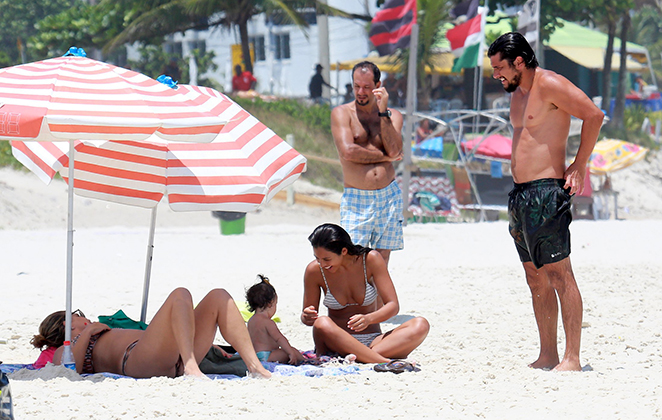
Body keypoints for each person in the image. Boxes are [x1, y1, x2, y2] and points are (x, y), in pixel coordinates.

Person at [488, 32, 604, 371]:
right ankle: (548, 354)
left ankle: (572, 357)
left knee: (558, 274)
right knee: (534, 276)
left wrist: (579, 164)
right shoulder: (517, 94)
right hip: (520, 195)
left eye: (500, 67)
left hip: (546, 192)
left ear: (519, 61)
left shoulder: (550, 83)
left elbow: (593, 116)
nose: (497, 75)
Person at [31, 288, 271, 378]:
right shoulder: (63, 350)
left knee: (218, 296)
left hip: (166, 356)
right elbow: (72, 371)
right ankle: (190, 366)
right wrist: (89, 331)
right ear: (69, 324)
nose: (86, 317)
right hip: (136, 359)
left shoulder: (92, 331)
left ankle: (255, 367)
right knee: (180, 294)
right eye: (78, 315)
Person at [301, 224, 429, 364]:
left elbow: (393, 305)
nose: (321, 263)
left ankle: (365, 357)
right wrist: (307, 316)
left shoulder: (370, 260)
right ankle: (385, 362)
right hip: (337, 343)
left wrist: (369, 319)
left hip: (373, 341)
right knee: (322, 322)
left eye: (326, 259)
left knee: (421, 324)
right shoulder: (314, 271)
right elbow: (309, 319)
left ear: (343, 251)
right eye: (317, 258)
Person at [330, 61, 405, 266]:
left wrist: (382, 113)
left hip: (388, 195)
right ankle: (358, 300)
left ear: (378, 86)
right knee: (353, 259)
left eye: (366, 87)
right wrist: (386, 158)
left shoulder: (393, 115)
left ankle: (379, 300)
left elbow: (394, 149)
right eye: (356, 86)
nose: (360, 92)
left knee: (382, 261)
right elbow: (349, 152)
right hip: (357, 197)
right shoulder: (342, 113)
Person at [245, 275, 304, 365]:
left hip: (254, 355)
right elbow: (280, 339)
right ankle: (304, 360)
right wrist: (290, 352)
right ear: (270, 304)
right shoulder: (267, 322)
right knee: (292, 350)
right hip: (267, 356)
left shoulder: (251, 321)